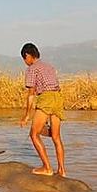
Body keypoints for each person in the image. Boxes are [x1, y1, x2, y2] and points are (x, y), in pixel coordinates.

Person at [19, 43, 66, 177]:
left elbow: (31, 94)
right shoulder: (49, 66)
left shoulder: (32, 69)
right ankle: (62, 170)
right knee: (56, 137)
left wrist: (26, 116)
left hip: (46, 98)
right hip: (58, 98)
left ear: (28, 56)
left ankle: (47, 168)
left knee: (33, 134)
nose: (25, 62)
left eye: (24, 59)